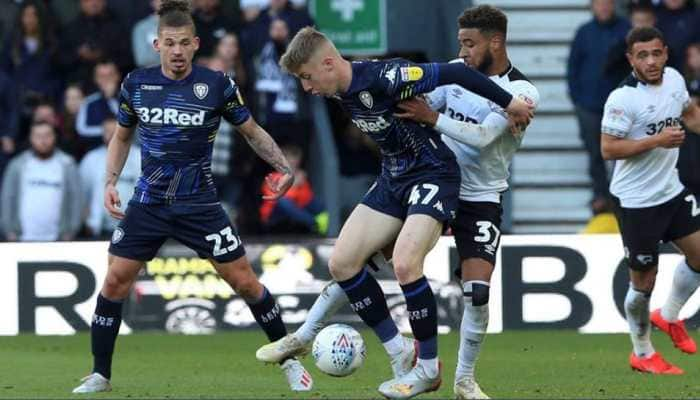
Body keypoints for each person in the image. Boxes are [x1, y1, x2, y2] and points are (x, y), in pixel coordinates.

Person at [255, 26, 533, 399]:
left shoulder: (387, 76)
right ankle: (397, 350)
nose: (306, 88)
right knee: (342, 263)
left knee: (405, 263)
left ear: (327, 63)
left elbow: (457, 73)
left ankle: (429, 368)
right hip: (393, 177)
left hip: (434, 171)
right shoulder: (339, 90)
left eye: (307, 77)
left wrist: (508, 102)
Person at [71, 0, 312, 394]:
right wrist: (110, 181)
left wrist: (283, 167)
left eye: (184, 42)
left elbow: (251, 131)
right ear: (157, 44)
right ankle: (100, 374)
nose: (177, 51)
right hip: (149, 202)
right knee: (115, 280)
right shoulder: (137, 84)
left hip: (199, 204)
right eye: (170, 43)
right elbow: (122, 136)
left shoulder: (216, 85)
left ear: (196, 43)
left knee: (246, 283)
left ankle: (287, 360)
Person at [600, 26, 700, 375]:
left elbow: (688, 114)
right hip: (636, 201)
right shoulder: (622, 99)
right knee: (644, 281)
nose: (651, 61)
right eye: (643, 55)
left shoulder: (674, 79)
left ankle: (669, 316)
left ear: (666, 53)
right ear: (631, 59)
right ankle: (642, 353)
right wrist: (656, 141)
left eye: (656, 53)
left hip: (670, 190)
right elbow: (608, 148)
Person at [568, 0, 630, 214]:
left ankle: (620, 195)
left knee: (621, 153)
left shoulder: (626, 30)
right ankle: (601, 195)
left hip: (621, 108)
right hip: (589, 106)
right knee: (595, 152)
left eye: (607, 3)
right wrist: (578, 100)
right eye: (599, 3)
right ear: (592, 6)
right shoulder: (584, 33)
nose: (603, 7)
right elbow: (572, 68)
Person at [0, 122, 81, 242]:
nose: (43, 140)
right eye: (38, 136)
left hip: (59, 239)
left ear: (54, 137)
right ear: (30, 138)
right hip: (22, 238)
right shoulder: (17, 164)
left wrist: (71, 230)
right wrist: (8, 230)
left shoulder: (67, 164)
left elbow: (76, 199)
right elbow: (7, 198)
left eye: (47, 135)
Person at [79, 118, 140, 239]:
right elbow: (82, 195)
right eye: (107, 131)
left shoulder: (140, 156)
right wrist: (86, 222)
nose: (111, 134)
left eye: (115, 130)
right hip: (98, 228)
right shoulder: (90, 159)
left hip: (133, 227)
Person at [259, 144, 328, 234]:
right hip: (273, 215)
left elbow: (306, 199)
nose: (293, 162)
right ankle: (313, 223)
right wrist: (294, 184)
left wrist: (300, 183)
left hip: (296, 212)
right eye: (289, 158)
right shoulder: (272, 177)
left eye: (295, 159)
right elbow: (275, 199)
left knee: (318, 203)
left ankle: (323, 228)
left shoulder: (301, 177)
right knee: (283, 202)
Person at [75, 60, 121, 156]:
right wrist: (109, 131)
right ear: (96, 79)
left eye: (110, 75)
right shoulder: (88, 102)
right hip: (97, 153)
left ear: (117, 76)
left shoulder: (132, 99)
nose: (107, 80)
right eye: (102, 77)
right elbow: (81, 130)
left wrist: (112, 98)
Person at [131, 0, 161, 68]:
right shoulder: (141, 27)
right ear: (152, 2)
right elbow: (142, 59)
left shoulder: (181, 25)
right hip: (151, 74)